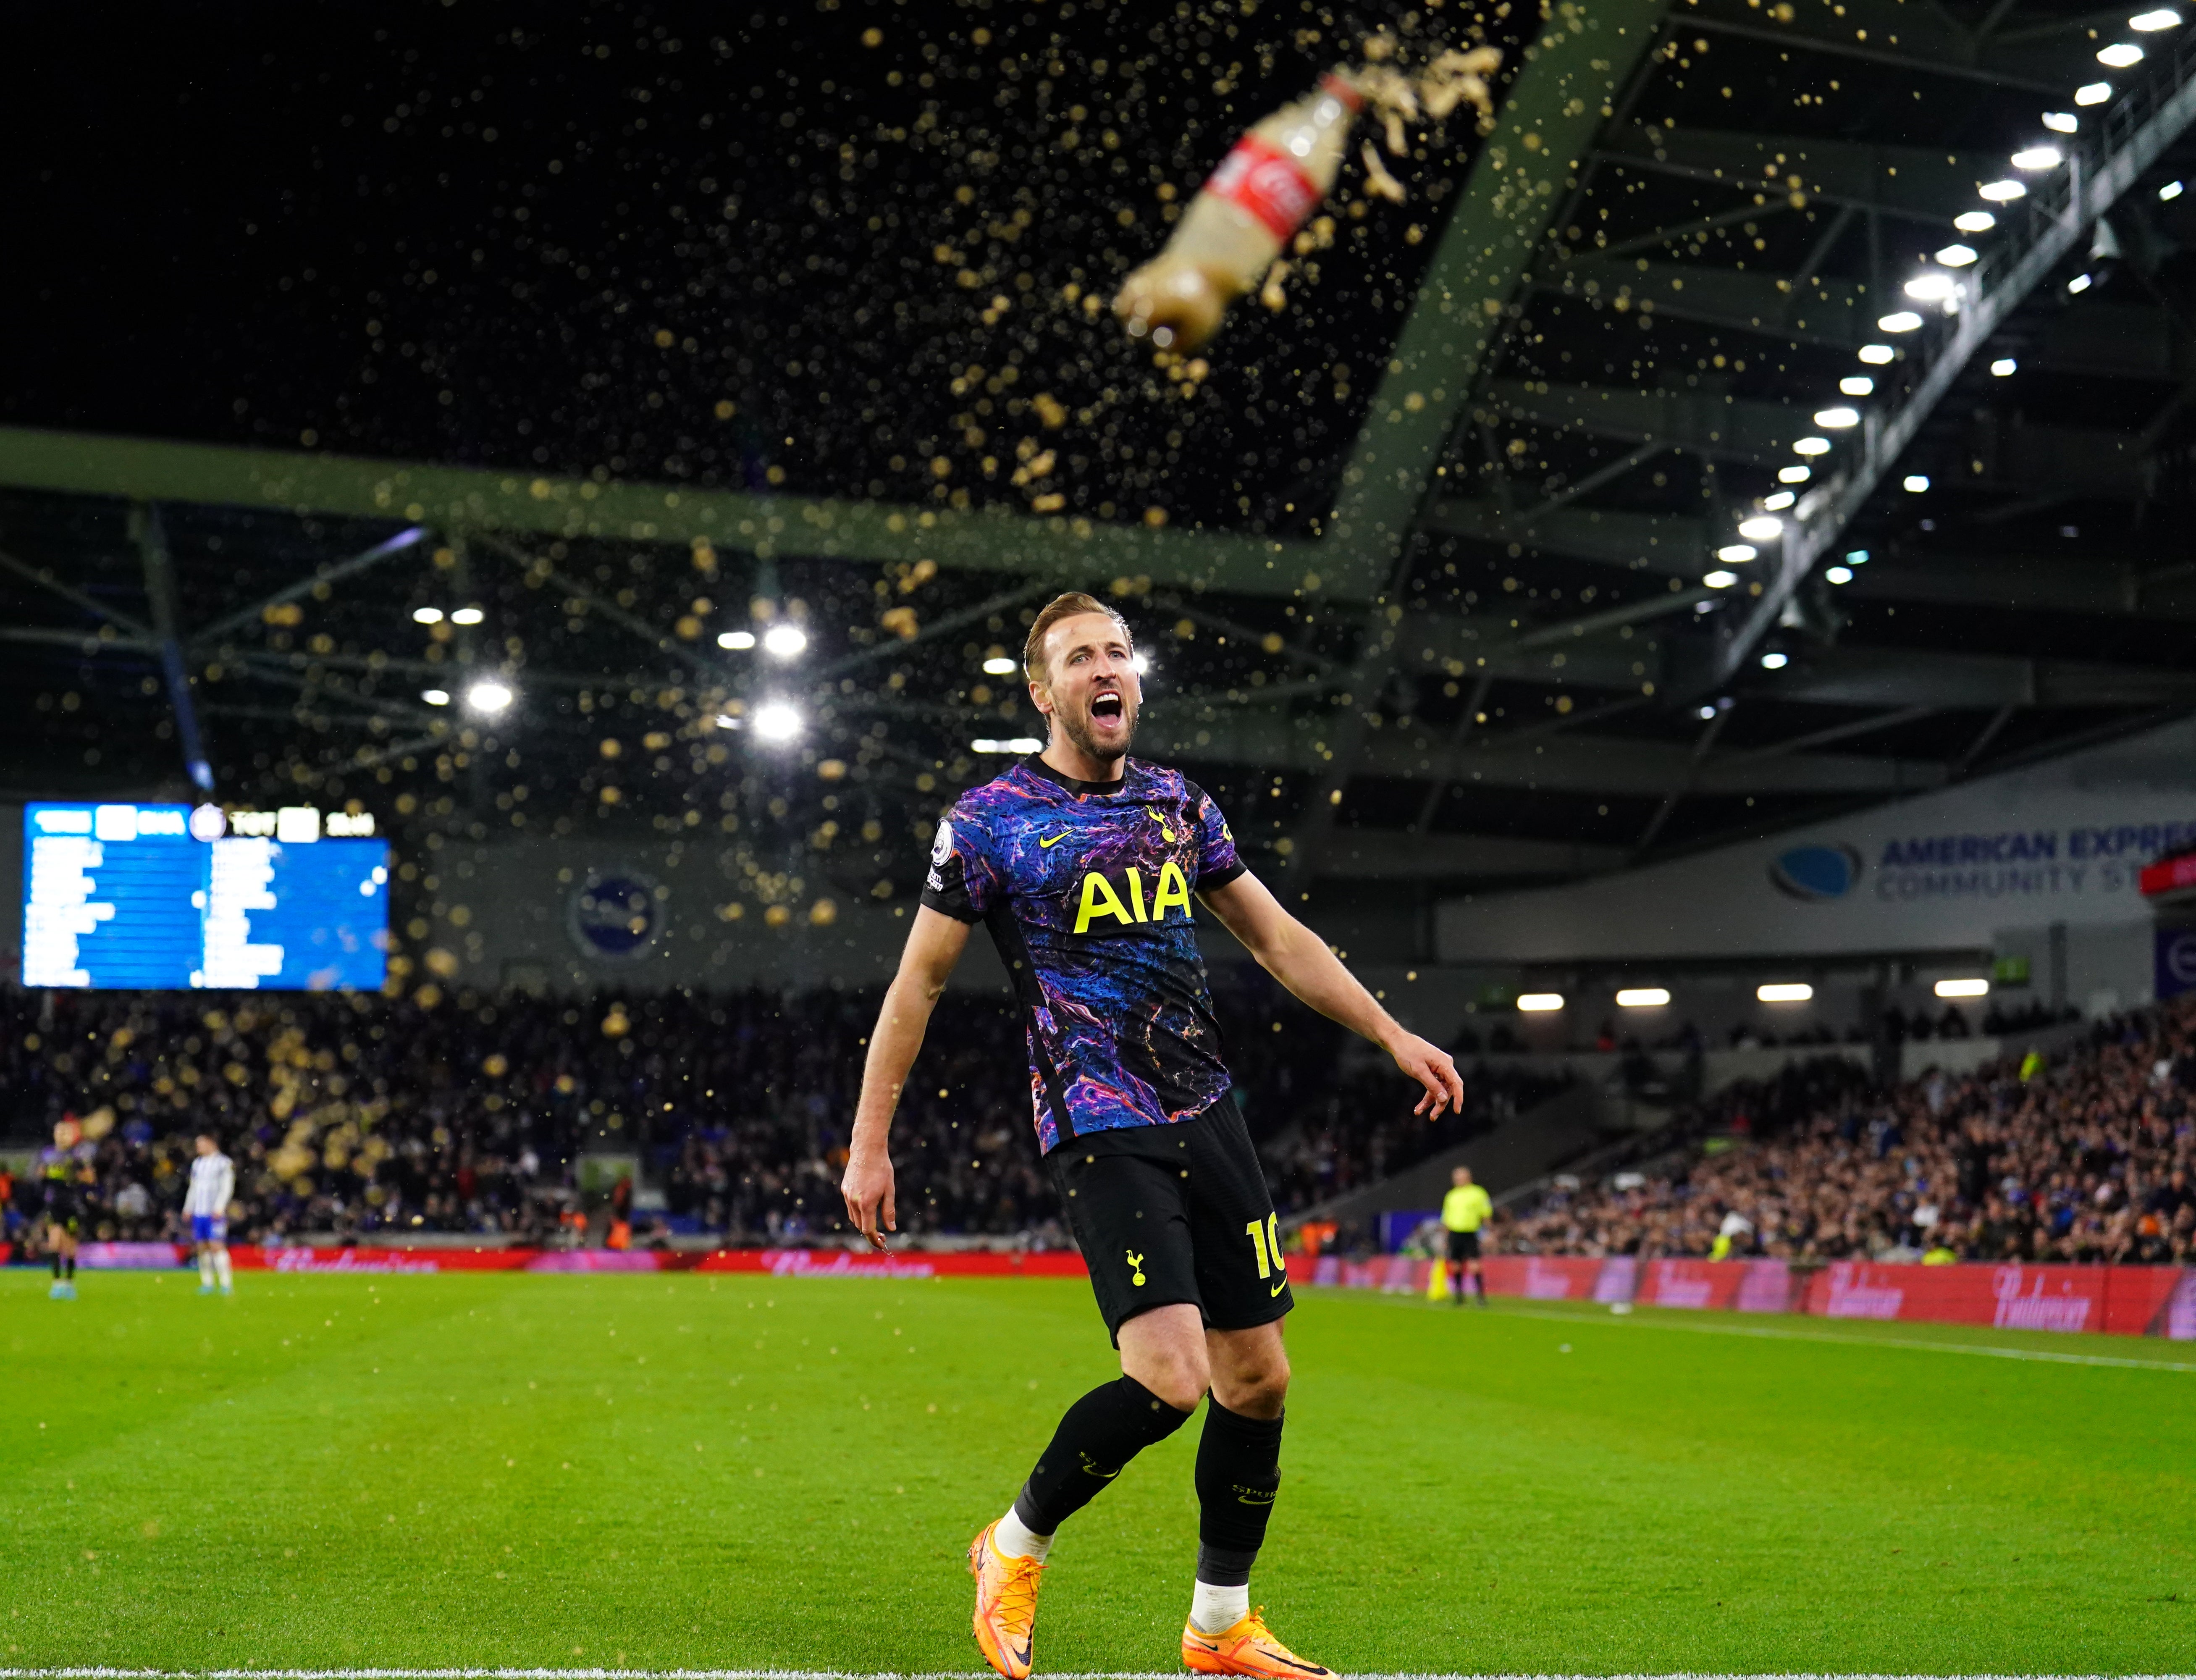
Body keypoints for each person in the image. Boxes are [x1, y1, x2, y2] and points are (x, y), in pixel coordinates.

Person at [840, 592, 1465, 1680]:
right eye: (1080, 657)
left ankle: (1218, 1624)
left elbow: (1277, 939)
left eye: (1118, 653)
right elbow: (916, 984)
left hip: (1206, 1114)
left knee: (1258, 1379)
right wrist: (868, 1143)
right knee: (1171, 1378)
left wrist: (1388, 1030)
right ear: (1043, 692)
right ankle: (1010, 1544)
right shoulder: (989, 821)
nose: (1105, 670)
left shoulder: (1179, 805)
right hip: (1097, 1122)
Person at [38, 1117, 90, 1301]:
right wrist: (43, 1175)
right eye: (59, 1132)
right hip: (53, 1203)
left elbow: (90, 1178)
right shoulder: (47, 1154)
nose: (62, 1135)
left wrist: (76, 1176)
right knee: (54, 1241)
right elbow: (39, 1176)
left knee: (69, 1247)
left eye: (65, 1132)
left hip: (72, 1204)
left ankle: (68, 1283)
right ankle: (56, 1283)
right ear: (54, 1135)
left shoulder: (77, 1156)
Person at [184, 1133, 236, 1296]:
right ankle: (207, 1283)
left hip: (214, 1213)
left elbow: (227, 1187)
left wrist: (220, 1207)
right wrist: (188, 1208)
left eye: (201, 1144)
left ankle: (226, 1284)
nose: (198, 1147)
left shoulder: (224, 1163)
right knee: (202, 1248)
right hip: (199, 1212)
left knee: (217, 1246)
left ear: (211, 1143)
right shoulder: (198, 1164)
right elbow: (193, 1188)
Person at [1440, 1166, 1492, 1305]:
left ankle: (1480, 1297)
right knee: (1456, 1265)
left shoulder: (1478, 1193)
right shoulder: (1451, 1195)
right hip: (1455, 1234)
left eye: (1461, 1177)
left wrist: (1488, 1233)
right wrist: (1446, 1239)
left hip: (1470, 1233)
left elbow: (1486, 1214)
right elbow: (1446, 1219)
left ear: (1468, 1178)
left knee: (1475, 1265)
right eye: (1456, 1177)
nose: (1458, 1180)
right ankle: (1459, 1296)